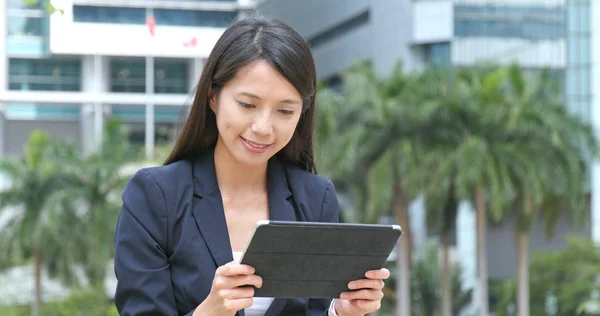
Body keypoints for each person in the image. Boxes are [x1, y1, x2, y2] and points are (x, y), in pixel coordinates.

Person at [113, 13, 390, 316]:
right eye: (247, 105)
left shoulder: (315, 198)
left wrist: (341, 311)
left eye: (285, 111)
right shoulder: (155, 196)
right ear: (213, 97)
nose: (263, 127)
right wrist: (210, 312)